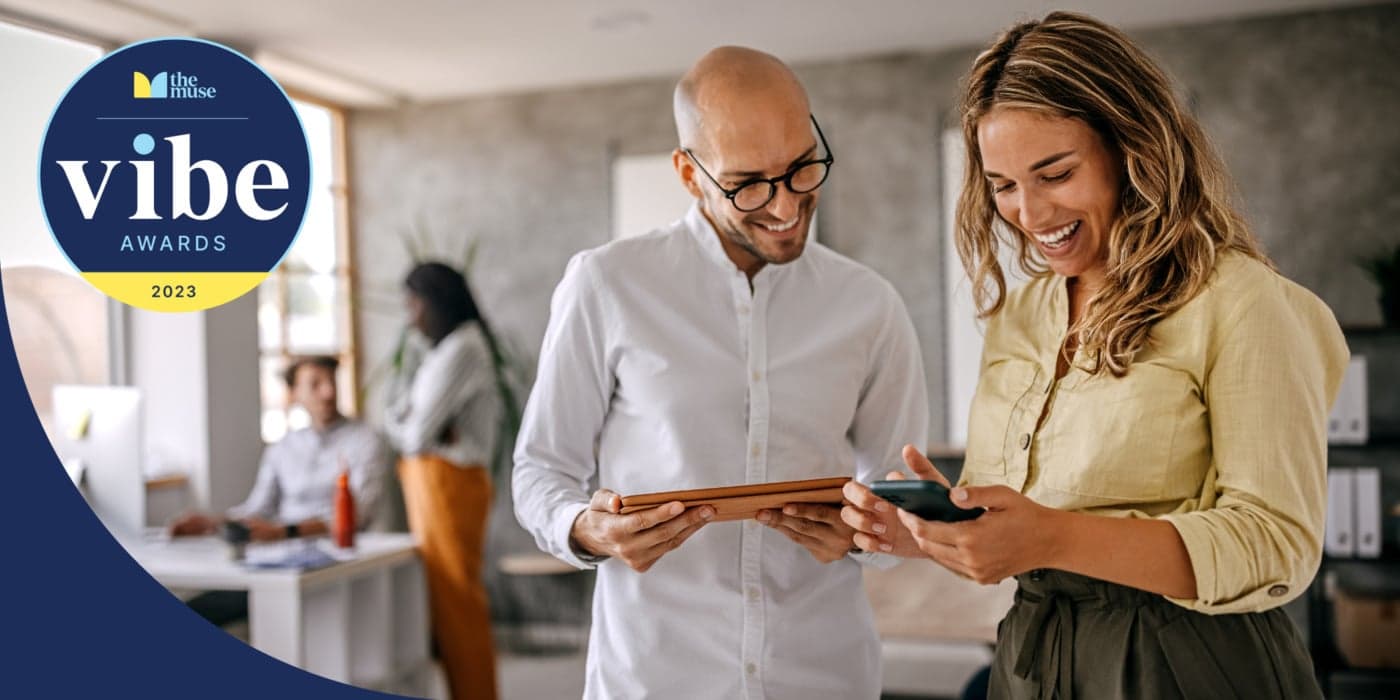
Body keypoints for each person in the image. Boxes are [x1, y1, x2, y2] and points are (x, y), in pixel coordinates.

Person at [841, 11, 1348, 699]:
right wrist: (931, 535)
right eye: (1003, 184)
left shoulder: (1242, 302)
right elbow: (1020, 535)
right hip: (1034, 660)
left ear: (1131, 150)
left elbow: (1274, 543)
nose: (1029, 212)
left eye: (1055, 173)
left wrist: (1052, 539)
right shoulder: (1019, 316)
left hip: (1189, 664)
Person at [512, 46, 929, 699]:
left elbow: (898, 487)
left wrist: (869, 530)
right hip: (655, 675)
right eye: (748, 184)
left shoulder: (870, 305)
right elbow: (541, 470)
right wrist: (588, 528)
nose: (787, 206)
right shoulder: (607, 285)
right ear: (688, 173)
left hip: (823, 674)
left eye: (802, 168)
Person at [170, 354, 388, 625]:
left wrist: (283, 532)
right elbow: (257, 509)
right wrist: (212, 523)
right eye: (316, 384)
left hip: (336, 561)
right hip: (279, 560)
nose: (329, 392)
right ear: (294, 393)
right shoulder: (283, 447)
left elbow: (357, 517)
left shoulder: (365, 440)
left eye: (332, 382)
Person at [383, 261, 502, 700]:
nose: (410, 315)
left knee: (458, 602)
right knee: (446, 604)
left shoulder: (463, 348)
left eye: (414, 303)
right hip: (435, 484)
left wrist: (416, 427)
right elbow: (399, 417)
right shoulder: (441, 350)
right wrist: (417, 426)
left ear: (436, 301)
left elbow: (411, 434)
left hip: (451, 485)